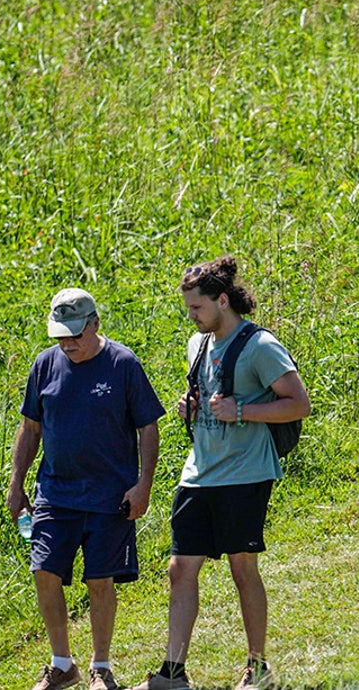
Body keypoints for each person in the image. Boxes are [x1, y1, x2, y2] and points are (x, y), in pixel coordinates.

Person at [132, 257, 310, 690]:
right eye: (189, 308)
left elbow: (299, 403)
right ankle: (173, 674)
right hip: (199, 472)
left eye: (197, 308)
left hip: (246, 474)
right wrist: (189, 407)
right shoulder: (198, 345)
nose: (191, 316)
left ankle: (258, 666)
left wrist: (243, 410)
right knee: (179, 568)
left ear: (222, 300)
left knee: (241, 568)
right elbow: (208, 392)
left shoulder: (260, 346)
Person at [9, 288, 164, 690]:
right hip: (55, 494)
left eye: (75, 334)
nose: (68, 343)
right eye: (61, 335)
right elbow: (31, 428)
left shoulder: (123, 364)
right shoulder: (45, 365)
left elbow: (149, 426)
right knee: (44, 572)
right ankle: (62, 664)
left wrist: (143, 485)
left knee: (100, 580)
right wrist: (17, 483)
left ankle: (101, 667)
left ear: (96, 323)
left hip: (109, 497)